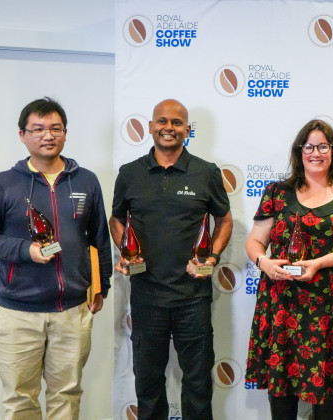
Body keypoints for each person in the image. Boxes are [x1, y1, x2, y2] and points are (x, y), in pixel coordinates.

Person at [245, 119, 333, 420]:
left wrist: (319, 262)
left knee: (328, 394)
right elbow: (255, 240)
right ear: (299, 151)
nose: (315, 153)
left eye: (323, 146)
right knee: (281, 392)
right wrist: (263, 262)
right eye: (309, 146)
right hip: (283, 305)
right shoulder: (277, 192)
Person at [109, 99, 233, 420]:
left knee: (197, 385)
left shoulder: (206, 173)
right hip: (147, 297)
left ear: (187, 130)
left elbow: (225, 220)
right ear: (150, 127)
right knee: (148, 386)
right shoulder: (130, 174)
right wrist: (126, 251)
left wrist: (214, 257)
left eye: (177, 123)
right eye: (162, 122)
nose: (169, 128)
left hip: (193, 298)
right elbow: (116, 218)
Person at [0, 97, 112, 419]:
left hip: (72, 311)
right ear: (22, 135)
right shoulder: (4, 183)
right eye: (38, 129)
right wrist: (25, 250)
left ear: (65, 133)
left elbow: (99, 239)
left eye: (55, 128)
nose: (47, 135)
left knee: (67, 396)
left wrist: (101, 286)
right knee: (20, 399)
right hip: (17, 313)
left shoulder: (86, 180)